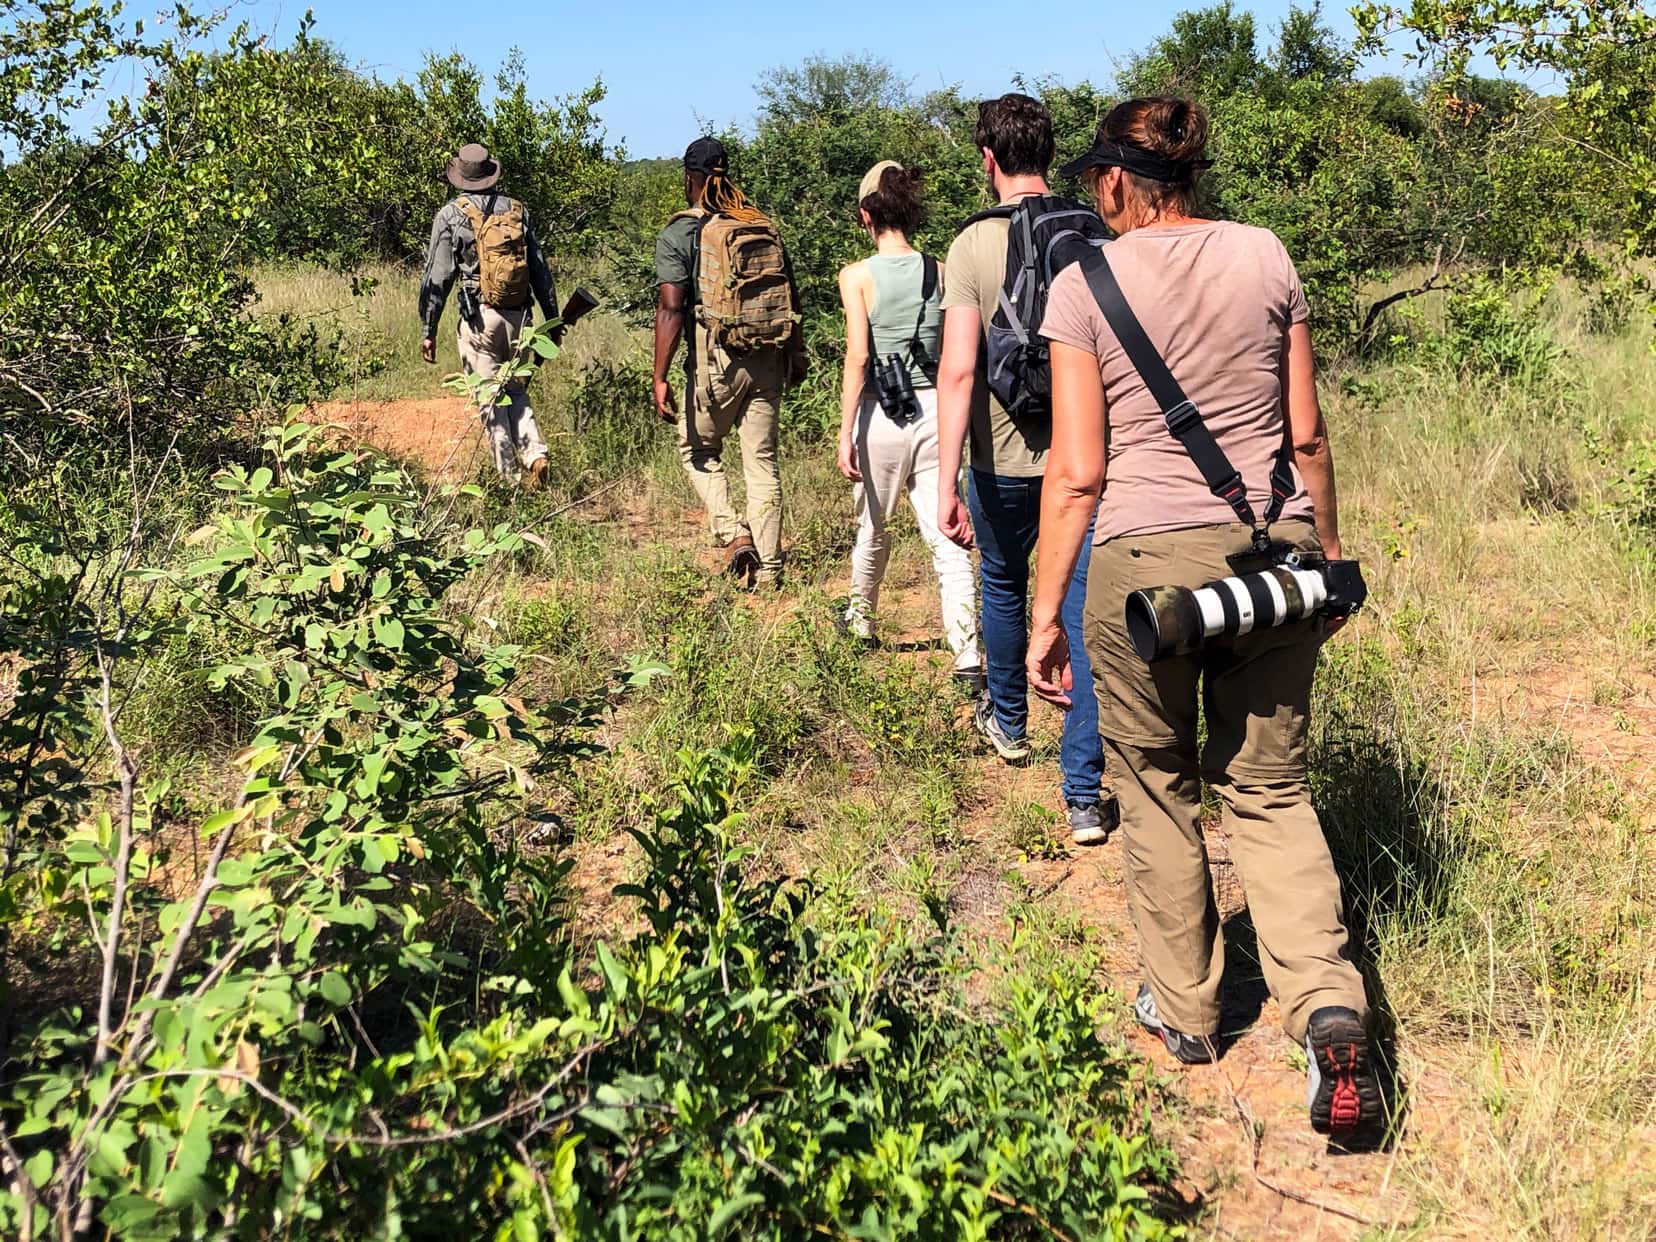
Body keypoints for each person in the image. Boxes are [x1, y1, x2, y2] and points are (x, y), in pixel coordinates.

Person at [1026, 96, 1382, 1136]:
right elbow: (1307, 435)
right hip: (1271, 554)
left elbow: (1079, 470)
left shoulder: (1079, 283)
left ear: (1112, 185)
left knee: (1153, 783)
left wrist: (1046, 610)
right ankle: (1326, 1004)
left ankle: (1186, 1012)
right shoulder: (1266, 257)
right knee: (1270, 786)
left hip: (1142, 567)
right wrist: (1328, 558)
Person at [934, 93, 1116, 847]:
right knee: (1082, 613)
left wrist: (945, 479)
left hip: (1000, 457)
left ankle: (1009, 723)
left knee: (1005, 585)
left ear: (988, 159)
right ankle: (1082, 793)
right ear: (1048, 150)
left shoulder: (970, 245)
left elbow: (958, 370)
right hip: (1086, 456)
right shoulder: (1095, 228)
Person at [835, 161, 982, 682]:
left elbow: (858, 357)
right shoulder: (940, 271)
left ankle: (860, 622)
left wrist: (844, 429)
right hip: (938, 411)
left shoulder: (855, 277)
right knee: (946, 530)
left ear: (865, 216)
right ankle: (966, 649)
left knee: (873, 526)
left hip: (881, 413)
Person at [653, 137, 806, 590]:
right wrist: (796, 351)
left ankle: (733, 531)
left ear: (689, 177)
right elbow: (790, 294)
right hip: (768, 354)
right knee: (762, 462)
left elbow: (671, 308)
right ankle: (773, 571)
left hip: (714, 360)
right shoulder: (758, 224)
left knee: (697, 449)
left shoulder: (681, 232)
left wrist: (659, 375)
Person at [419, 142, 559, 485]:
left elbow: (437, 277)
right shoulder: (517, 210)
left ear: (460, 176)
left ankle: (509, 480)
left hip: (480, 319)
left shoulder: (452, 215)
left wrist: (429, 327)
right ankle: (536, 454)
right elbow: (540, 271)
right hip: (521, 316)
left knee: (490, 400)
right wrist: (552, 319)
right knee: (517, 390)